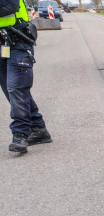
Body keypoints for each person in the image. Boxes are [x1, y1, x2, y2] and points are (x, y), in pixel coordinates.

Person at [0, 0, 50, 154]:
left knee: (16, 88)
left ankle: (20, 134)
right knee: (12, 91)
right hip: (3, 45)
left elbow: (9, 6)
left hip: (18, 41)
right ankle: (38, 128)